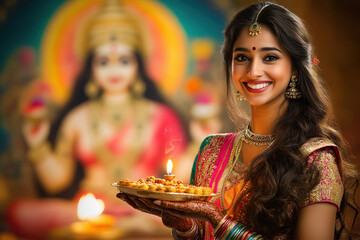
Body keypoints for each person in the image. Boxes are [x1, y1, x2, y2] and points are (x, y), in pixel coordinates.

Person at [116, 2, 359, 239]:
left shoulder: (316, 158)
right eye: (242, 57)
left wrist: (217, 220)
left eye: (270, 58)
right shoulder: (212, 150)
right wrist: (185, 226)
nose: (253, 71)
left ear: (295, 68)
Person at [6, 0, 186, 238]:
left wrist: (203, 136)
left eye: (124, 61)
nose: (114, 70)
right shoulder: (78, 118)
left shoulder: (160, 115)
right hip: (90, 209)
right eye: (103, 62)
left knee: (187, 216)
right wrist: (37, 145)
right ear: (90, 68)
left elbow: (180, 177)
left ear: (137, 65)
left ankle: (123, 226)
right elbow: (56, 183)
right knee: (21, 212)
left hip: (145, 209)